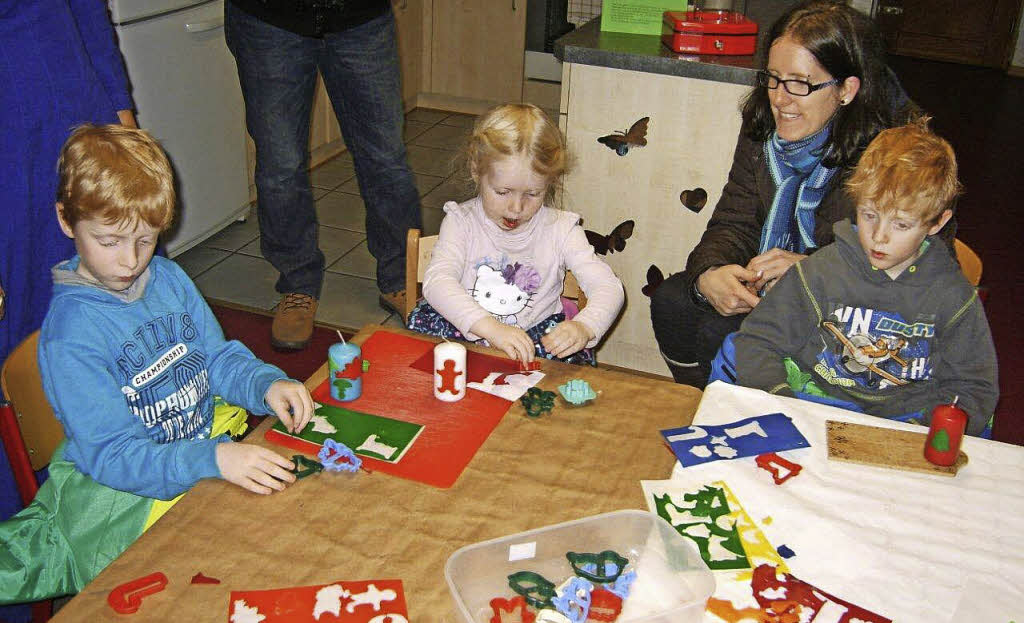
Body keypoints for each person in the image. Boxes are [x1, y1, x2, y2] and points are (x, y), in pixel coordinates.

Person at [0, 125, 315, 604]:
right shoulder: (72, 337)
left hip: (193, 468)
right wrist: (212, 459)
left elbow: (218, 358)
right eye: (109, 242)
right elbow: (114, 457)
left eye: (146, 240)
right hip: (124, 509)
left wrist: (264, 383)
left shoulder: (165, 277)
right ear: (66, 220)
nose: (130, 262)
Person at [649, 0, 954, 388]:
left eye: (800, 83)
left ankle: (749, 421)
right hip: (780, 282)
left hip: (857, 313)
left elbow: (918, 269)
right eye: (773, 78)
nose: (779, 98)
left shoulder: (899, 160)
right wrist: (710, 274)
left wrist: (811, 271)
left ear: (846, 89)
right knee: (676, 301)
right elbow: (733, 220)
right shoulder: (763, 124)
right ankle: (703, 405)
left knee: (721, 334)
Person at [732, 119, 997, 436]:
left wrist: (920, 435)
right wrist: (780, 405)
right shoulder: (819, 272)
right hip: (814, 410)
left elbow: (974, 387)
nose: (879, 237)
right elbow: (758, 341)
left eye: (901, 225)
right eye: (869, 215)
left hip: (907, 423)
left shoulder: (953, 297)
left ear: (937, 223)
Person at [0, 2, 137, 529]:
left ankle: (134, 490)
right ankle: (46, 522)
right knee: (23, 342)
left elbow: (87, 11)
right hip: (11, 145)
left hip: (81, 107)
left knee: (122, 306)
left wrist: (122, 120)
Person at [224, 0, 422, 351]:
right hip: (268, 20)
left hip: (361, 18)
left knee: (386, 159)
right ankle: (298, 284)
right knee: (280, 166)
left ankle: (401, 277)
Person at [407, 104, 624, 366]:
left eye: (533, 194)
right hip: (467, 331)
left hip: (537, 341)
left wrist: (585, 327)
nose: (516, 208)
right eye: (502, 192)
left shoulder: (562, 229)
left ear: (550, 182)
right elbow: (437, 282)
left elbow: (609, 287)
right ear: (477, 170)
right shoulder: (460, 222)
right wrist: (489, 328)